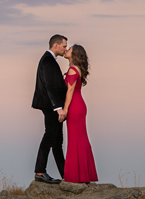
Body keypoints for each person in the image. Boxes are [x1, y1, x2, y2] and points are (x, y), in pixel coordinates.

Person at [32, 34, 67, 183]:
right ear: (56, 46)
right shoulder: (48, 61)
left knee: (57, 140)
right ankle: (40, 172)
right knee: (50, 137)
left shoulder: (48, 60)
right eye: (64, 46)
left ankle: (66, 174)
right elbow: (50, 86)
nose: (65, 49)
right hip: (51, 106)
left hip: (50, 105)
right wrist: (58, 108)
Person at [60, 44, 98, 183]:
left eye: (69, 49)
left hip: (75, 106)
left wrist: (65, 109)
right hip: (79, 105)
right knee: (80, 139)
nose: (66, 50)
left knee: (75, 140)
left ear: (74, 53)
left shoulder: (72, 69)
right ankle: (83, 175)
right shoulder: (77, 69)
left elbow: (70, 91)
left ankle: (75, 176)